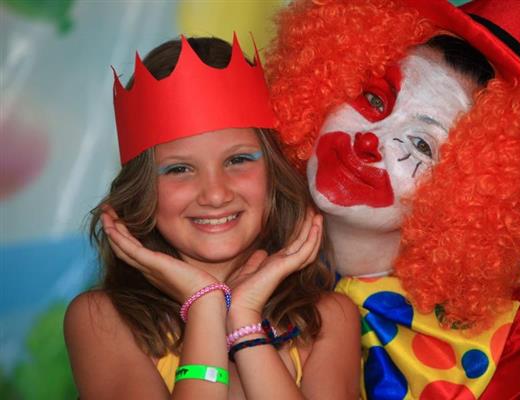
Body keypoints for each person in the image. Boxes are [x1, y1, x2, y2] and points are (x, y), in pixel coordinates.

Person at [266, 0, 520, 398]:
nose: (370, 141)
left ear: (468, 189)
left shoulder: (512, 340)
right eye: (374, 100)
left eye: (421, 144)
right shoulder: (229, 228)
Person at [64, 35, 360, 399]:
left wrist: (245, 323)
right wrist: (204, 304)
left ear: (274, 173)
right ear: (142, 190)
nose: (216, 194)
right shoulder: (103, 320)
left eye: (238, 160)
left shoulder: (329, 319)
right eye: (179, 169)